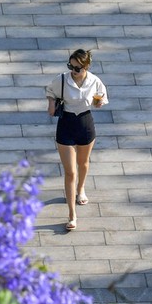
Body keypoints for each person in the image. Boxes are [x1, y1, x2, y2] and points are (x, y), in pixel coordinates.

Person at [45, 49, 108, 231]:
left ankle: (81, 189)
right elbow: (51, 91)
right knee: (70, 171)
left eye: (77, 68)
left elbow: (101, 99)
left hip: (85, 123)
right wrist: (51, 103)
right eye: (70, 66)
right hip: (66, 123)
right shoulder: (62, 79)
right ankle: (72, 214)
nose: (73, 70)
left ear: (86, 66)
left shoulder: (94, 81)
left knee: (83, 163)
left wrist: (98, 102)